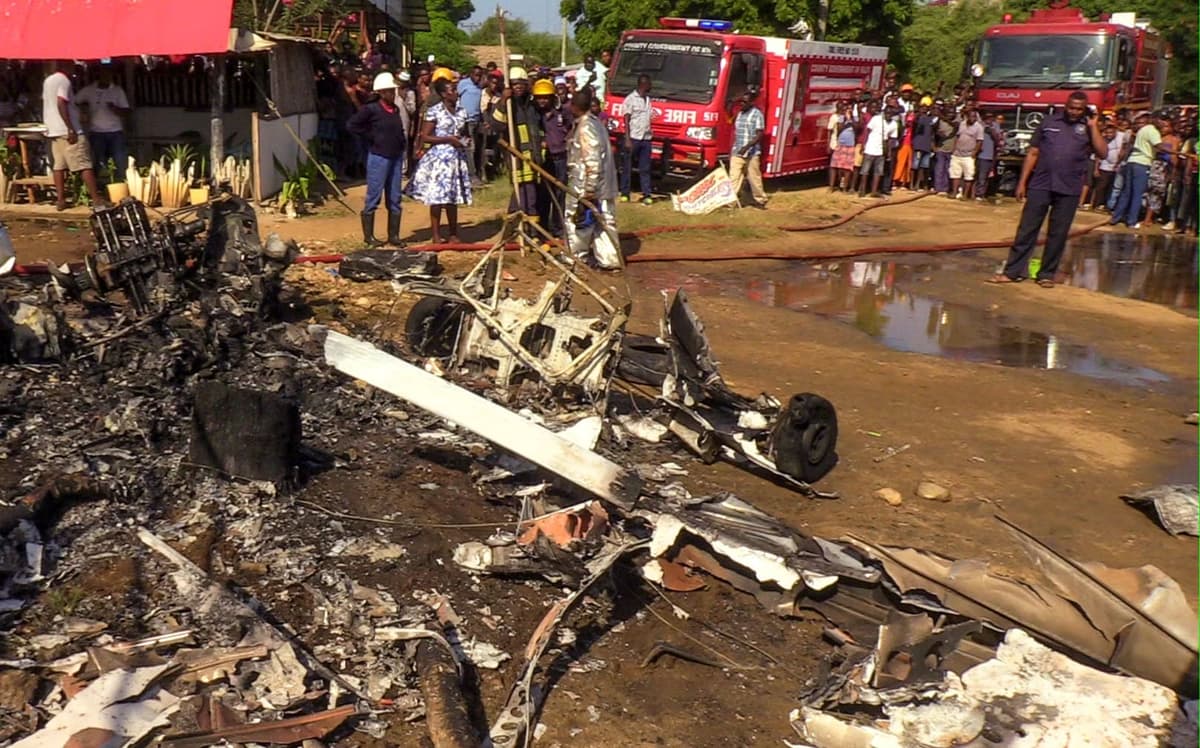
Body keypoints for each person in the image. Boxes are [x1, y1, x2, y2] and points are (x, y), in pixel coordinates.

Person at [989, 91, 1106, 287]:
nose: (1074, 112)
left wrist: (1093, 127)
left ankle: (1046, 274)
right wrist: (1022, 182)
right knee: (1027, 229)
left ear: (1084, 109)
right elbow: (1033, 152)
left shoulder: (1088, 127)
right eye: (1071, 107)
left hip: (1069, 187)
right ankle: (1013, 272)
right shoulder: (1048, 123)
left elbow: (1102, 152)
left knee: (1058, 233)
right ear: (1065, 105)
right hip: (1041, 184)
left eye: (1079, 109)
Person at [346, 72, 408, 247]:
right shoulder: (371, 109)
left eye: (393, 90)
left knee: (395, 197)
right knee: (374, 196)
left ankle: (394, 236)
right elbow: (352, 125)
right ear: (381, 92)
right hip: (379, 157)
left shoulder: (395, 109)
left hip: (395, 157)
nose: (393, 94)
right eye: (389, 91)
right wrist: (371, 137)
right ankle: (369, 237)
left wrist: (402, 143)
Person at [408, 79, 472, 244]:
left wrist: (465, 141)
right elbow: (425, 136)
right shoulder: (434, 111)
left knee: (452, 197)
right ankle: (436, 235)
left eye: (456, 89)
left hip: (456, 158)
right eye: (452, 90)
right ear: (444, 94)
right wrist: (448, 139)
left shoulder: (461, 111)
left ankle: (453, 233)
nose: (456, 92)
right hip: (439, 159)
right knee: (437, 197)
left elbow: (464, 133)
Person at [565, 90, 620, 269]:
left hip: (585, 184)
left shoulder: (586, 127)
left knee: (577, 221)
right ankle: (609, 260)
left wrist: (589, 189)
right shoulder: (597, 124)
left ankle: (574, 257)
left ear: (574, 106)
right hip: (604, 185)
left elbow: (592, 159)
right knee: (605, 222)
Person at [42, 62, 103, 211]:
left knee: (59, 166)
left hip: (53, 129)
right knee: (84, 164)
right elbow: (61, 102)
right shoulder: (64, 81)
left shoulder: (48, 80)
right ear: (66, 67)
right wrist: (70, 128)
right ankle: (97, 200)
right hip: (67, 129)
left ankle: (61, 200)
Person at [491, 67, 544, 216]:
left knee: (532, 192)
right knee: (520, 190)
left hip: (533, 154)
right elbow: (496, 125)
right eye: (515, 84)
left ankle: (532, 229)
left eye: (522, 83)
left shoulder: (532, 104)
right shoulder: (506, 104)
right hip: (515, 154)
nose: (518, 87)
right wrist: (503, 101)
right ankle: (517, 223)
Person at [1110, 111, 1170, 229]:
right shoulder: (1153, 131)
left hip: (1132, 162)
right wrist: (1174, 152)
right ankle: (1131, 221)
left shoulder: (1143, 129)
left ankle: (1115, 217)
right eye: (1160, 120)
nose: (1162, 123)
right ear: (1155, 120)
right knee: (1137, 194)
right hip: (1142, 164)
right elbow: (1159, 146)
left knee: (1126, 192)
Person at [75, 65, 130, 181]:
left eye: (109, 75)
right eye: (104, 74)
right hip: (96, 132)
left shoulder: (117, 90)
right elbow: (75, 101)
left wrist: (115, 108)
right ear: (99, 75)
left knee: (119, 161)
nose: (107, 77)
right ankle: (100, 188)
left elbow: (126, 111)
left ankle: (121, 184)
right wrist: (84, 109)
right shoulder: (89, 90)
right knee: (98, 162)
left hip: (115, 132)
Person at [533, 78, 572, 234]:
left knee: (559, 193)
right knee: (543, 193)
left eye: (545, 97)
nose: (542, 100)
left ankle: (558, 227)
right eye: (539, 98)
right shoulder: (535, 115)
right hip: (543, 159)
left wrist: (568, 139)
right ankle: (543, 226)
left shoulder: (563, 111)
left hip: (561, 158)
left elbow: (572, 127)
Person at [729, 90, 767, 209]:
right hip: (737, 151)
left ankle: (760, 200)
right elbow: (728, 115)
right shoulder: (739, 113)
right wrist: (734, 101)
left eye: (745, 102)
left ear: (752, 102)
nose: (742, 104)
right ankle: (731, 201)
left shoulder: (757, 114)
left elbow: (759, 135)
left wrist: (747, 147)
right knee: (734, 177)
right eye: (741, 102)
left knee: (754, 177)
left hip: (752, 152)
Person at [621, 74, 653, 205]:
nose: (651, 86)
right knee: (627, 167)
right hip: (634, 137)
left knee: (645, 168)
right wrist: (627, 139)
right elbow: (626, 118)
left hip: (646, 138)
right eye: (649, 83)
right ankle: (625, 193)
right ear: (643, 84)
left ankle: (646, 194)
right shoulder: (630, 99)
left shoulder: (648, 99)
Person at [858, 102, 894, 198]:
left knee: (878, 172)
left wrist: (889, 152)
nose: (888, 115)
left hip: (881, 151)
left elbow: (890, 140)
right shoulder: (876, 119)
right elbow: (867, 131)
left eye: (890, 113)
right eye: (887, 113)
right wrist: (863, 144)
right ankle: (862, 190)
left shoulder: (894, 124)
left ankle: (874, 191)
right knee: (865, 171)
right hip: (870, 148)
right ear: (884, 112)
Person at [457, 65, 485, 183]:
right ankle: (471, 175)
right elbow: (456, 97)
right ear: (471, 74)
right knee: (469, 148)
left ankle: (477, 172)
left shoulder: (480, 87)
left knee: (478, 148)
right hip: (465, 121)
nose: (477, 78)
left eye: (479, 75)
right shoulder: (464, 84)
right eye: (475, 75)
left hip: (476, 120)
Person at [949, 108, 984, 199]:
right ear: (967, 117)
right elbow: (957, 136)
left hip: (969, 155)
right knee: (955, 174)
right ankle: (954, 192)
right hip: (957, 153)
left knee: (969, 175)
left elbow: (979, 141)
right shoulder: (962, 124)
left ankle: (965, 195)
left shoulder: (979, 127)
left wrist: (974, 153)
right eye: (971, 116)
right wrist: (954, 148)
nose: (973, 118)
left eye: (974, 117)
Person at [829, 103, 857, 192]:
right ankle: (832, 186)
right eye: (846, 109)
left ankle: (845, 188)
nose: (848, 110)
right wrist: (845, 119)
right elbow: (840, 129)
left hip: (851, 145)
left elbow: (857, 129)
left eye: (849, 108)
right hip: (840, 144)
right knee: (835, 166)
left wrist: (851, 119)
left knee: (847, 168)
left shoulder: (855, 119)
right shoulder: (841, 118)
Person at [975, 111, 1002, 201]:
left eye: (991, 118)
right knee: (980, 176)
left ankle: (983, 193)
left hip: (991, 155)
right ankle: (978, 194)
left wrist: (992, 132)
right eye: (987, 118)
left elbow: (998, 140)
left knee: (988, 177)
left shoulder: (995, 126)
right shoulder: (979, 125)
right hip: (981, 155)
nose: (989, 120)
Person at [909, 98, 935, 191]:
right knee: (915, 166)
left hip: (927, 146)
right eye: (922, 107)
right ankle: (911, 184)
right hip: (918, 145)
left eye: (926, 108)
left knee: (923, 166)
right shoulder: (917, 118)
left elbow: (933, 132)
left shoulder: (931, 119)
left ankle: (917, 184)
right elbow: (914, 124)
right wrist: (917, 114)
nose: (924, 109)